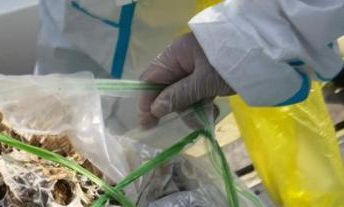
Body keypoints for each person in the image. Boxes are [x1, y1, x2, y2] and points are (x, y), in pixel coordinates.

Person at [37, 0, 344, 125]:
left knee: (149, 157)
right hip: (74, 15)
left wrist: (252, 32)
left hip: (183, 29)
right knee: (48, 119)